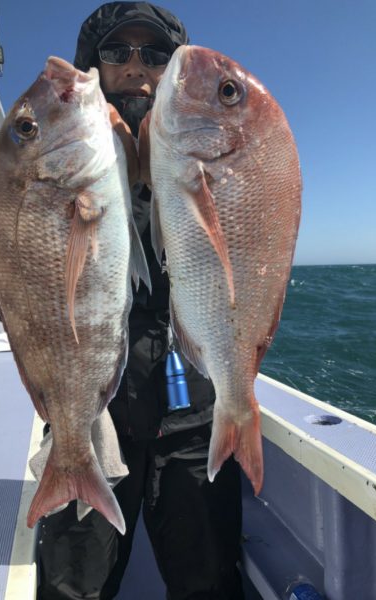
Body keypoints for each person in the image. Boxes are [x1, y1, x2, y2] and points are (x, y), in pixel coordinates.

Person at [36, 3, 244, 599]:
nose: (135, 68)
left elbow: (244, 260)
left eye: (154, 55)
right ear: (91, 68)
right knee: (76, 588)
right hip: (92, 409)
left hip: (193, 407)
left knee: (209, 581)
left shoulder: (206, 158)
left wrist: (157, 171)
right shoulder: (59, 161)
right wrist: (114, 174)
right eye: (116, 52)